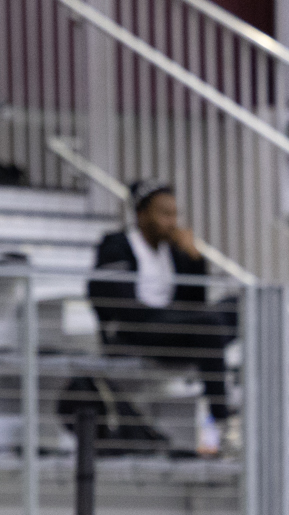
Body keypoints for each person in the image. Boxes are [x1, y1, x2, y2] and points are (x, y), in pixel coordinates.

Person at [85, 179, 232, 454]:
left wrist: (195, 261)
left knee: (239, 310)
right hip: (135, 331)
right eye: (164, 213)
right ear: (142, 215)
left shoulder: (175, 252)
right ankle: (222, 419)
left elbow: (195, 303)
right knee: (210, 325)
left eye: (175, 213)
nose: (172, 221)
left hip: (172, 328)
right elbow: (111, 302)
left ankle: (237, 398)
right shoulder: (116, 245)